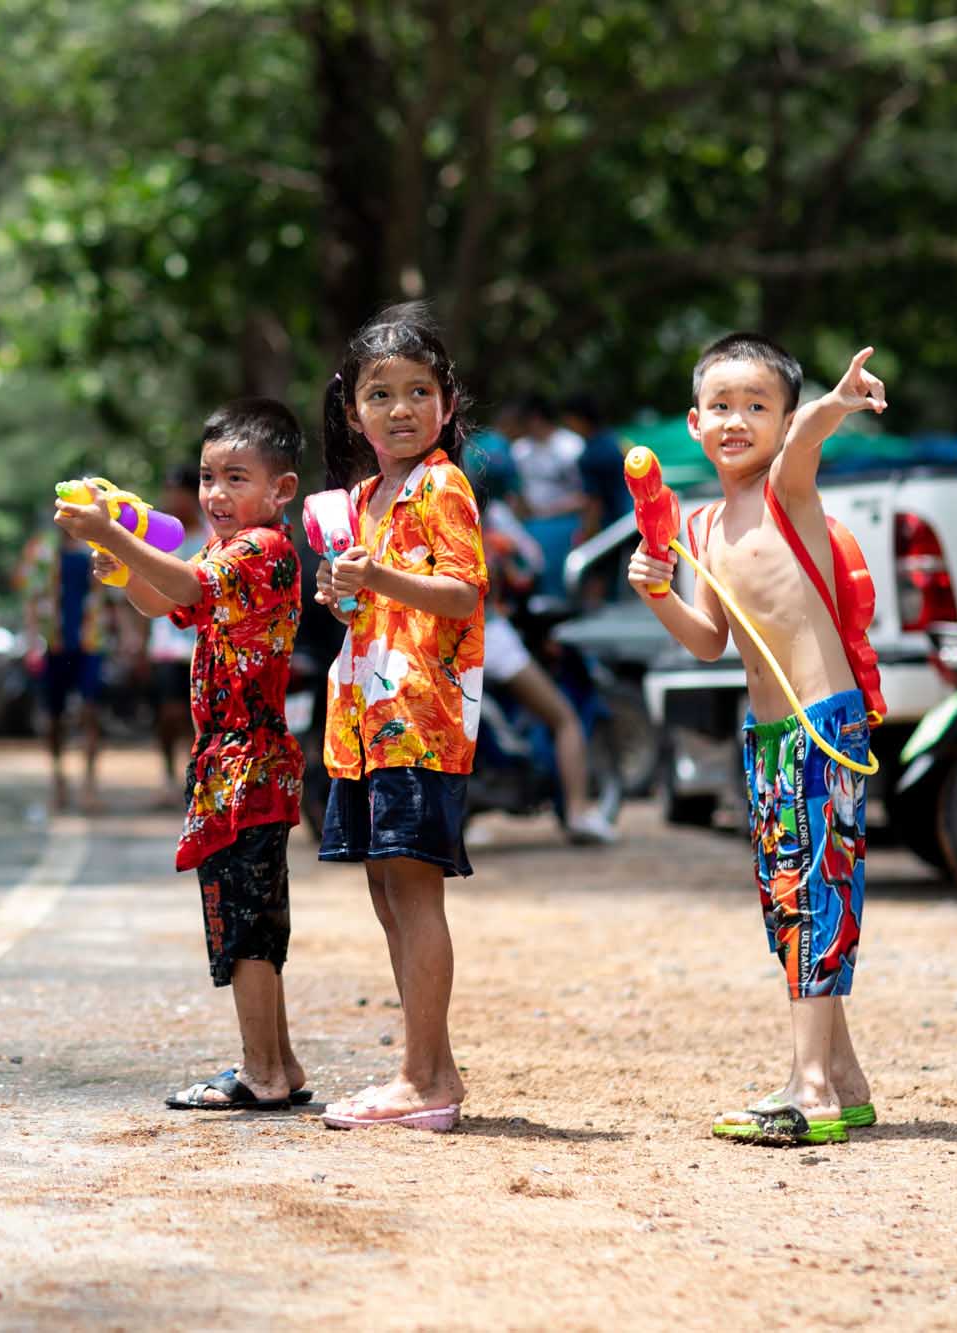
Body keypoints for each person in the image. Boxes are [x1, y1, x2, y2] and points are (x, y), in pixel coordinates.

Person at [627, 334, 888, 1146]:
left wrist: (836, 403)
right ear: (693, 422)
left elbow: (809, 437)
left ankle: (809, 1088)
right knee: (790, 908)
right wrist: (659, 592)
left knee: (816, 897)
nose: (737, 420)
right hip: (769, 736)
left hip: (823, 724)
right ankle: (843, 1078)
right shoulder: (699, 526)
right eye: (721, 406)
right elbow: (709, 640)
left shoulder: (786, 489)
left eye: (758, 406)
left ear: (780, 420)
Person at [54, 398, 310, 1111]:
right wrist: (117, 562)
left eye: (236, 478)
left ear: (280, 489)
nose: (216, 495)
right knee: (253, 920)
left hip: (247, 763)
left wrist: (114, 532)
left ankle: (259, 1073)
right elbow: (164, 597)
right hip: (234, 762)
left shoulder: (265, 551)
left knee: (245, 927)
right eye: (207, 478)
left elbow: (189, 586)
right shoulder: (230, 552)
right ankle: (278, 1065)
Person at [313, 302, 488, 1133]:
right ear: (353, 409)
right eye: (380, 395)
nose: (401, 409)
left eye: (419, 391)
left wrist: (375, 577)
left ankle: (423, 1082)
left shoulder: (442, 484)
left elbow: (461, 592)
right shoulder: (361, 496)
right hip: (364, 718)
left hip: (420, 718)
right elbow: (370, 601)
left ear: (447, 404)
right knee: (388, 891)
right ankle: (433, 1067)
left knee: (415, 894)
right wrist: (341, 592)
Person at [479, 497, 617, 845]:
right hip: (487, 635)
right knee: (564, 718)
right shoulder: (491, 524)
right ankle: (577, 811)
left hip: (433, 640)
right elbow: (528, 568)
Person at [18, 515, 113, 811]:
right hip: (53, 643)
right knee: (54, 717)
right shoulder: (41, 549)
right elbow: (32, 598)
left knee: (90, 711)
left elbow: (114, 595)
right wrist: (32, 642)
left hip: (91, 642)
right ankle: (58, 780)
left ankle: (89, 785)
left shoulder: (98, 545)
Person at [143, 463, 208, 797]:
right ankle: (169, 774)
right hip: (167, 642)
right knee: (168, 713)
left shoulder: (211, 534)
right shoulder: (157, 535)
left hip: (201, 640)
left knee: (197, 715)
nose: (173, 498)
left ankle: (192, 775)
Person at [507, 393, 593, 597]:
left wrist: (548, 510)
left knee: (559, 571)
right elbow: (516, 491)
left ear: (536, 418)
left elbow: (585, 495)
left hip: (565, 523)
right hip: (530, 523)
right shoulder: (520, 450)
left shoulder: (571, 446)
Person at [562, 391, 629, 539]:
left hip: (615, 529)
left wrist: (585, 536)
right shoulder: (615, 440)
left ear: (579, 419)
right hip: (635, 520)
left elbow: (594, 504)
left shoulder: (590, 457)